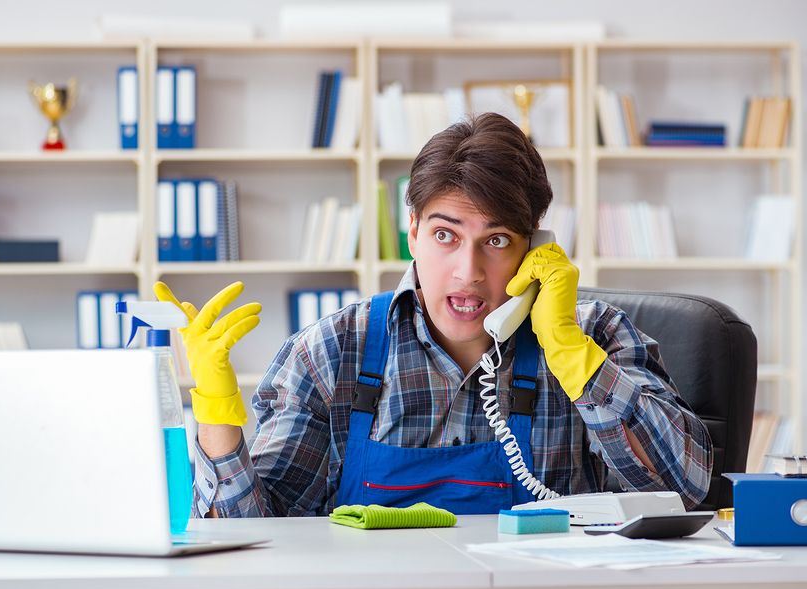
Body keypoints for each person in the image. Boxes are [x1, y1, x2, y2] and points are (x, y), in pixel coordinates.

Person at [155, 112, 713, 518]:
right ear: (413, 231)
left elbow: (688, 490)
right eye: (446, 235)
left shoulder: (595, 336)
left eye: (495, 240)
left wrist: (574, 357)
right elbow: (259, 544)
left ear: (534, 245)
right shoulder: (330, 353)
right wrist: (218, 424)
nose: (467, 271)